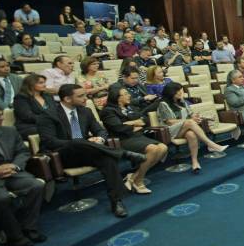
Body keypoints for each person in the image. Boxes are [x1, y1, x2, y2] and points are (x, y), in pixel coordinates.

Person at [37, 84, 147, 217]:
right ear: (67, 99)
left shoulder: (86, 111)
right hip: (62, 156)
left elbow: (100, 130)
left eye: (85, 94)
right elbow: (49, 141)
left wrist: (100, 139)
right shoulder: (48, 114)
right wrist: (79, 142)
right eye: (81, 96)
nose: (86, 98)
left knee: (107, 159)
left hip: (88, 151)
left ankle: (116, 201)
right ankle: (123, 153)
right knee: (78, 142)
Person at [0, 101, 46, 246]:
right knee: (1, 198)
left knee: (36, 185)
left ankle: (29, 227)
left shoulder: (9, 131)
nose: (1, 118)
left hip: (12, 171)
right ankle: (15, 236)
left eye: (1, 114)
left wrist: (15, 166)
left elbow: (22, 152)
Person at [100, 86, 168, 194]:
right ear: (117, 97)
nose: (129, 95)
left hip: (137, 136)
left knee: (163, 148)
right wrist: (134, 124)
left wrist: (129, 123)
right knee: (153, 149)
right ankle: (139, 181)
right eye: (125, 94)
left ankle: (133, 177)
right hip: (123, 139)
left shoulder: (129, 106)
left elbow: (144, 120)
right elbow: (118, 128)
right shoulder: (108, 111)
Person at [157, 82, 227, 173]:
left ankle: (195, 162)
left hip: (183, 128)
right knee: (189, 122)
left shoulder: (182, 102)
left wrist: (199, 117)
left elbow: (191, 115)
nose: (181, 92)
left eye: (181, 90)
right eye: (178, 91)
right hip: (169, 131)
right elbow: (169, 121)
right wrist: (189, 120)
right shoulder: (163, 104)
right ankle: (211, 144)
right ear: (171, 92)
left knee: (191, 134)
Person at [12, 74, 55, 139]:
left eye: (44, 82)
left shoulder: (48, 96)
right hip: (28, 126)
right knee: (49, 130)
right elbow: (27, 116)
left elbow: (55, 111)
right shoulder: (21, 98)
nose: (44, 85)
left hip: (48, 124)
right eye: (41, 83)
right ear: (31, 84)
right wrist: (48, 120)